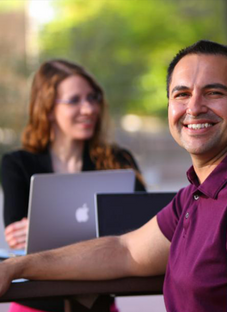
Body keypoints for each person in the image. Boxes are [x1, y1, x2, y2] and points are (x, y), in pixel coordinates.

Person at [0, 40, 227, 312]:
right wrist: (17, 266)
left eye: (214, 93)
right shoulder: (198, 190)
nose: (194, 107)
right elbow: (124, 250)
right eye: (182, 94)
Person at [1, 59, 146, 312]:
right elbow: (17, 237)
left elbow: (145, 226)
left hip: (100, 304)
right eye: (75, 100)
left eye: (93, 98)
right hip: (36, 305)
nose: (89, 108)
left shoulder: (119, 160)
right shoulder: (16, 164)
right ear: (47, 109)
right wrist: (105, 236)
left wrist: (46, 231)